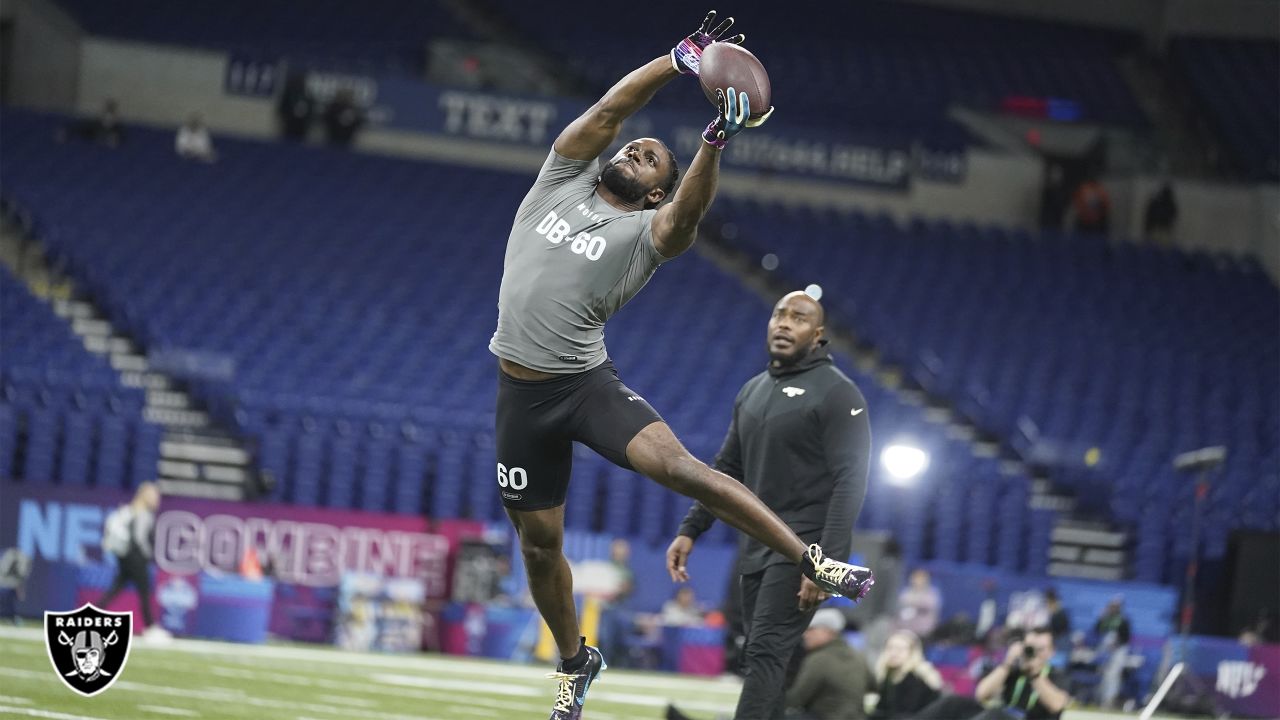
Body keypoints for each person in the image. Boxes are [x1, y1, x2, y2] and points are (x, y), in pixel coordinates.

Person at [488, 12, 872, 719]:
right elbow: (610, 110)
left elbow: (687, 218)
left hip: (582, 387)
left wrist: (711, 142)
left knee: (683, 467)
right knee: (540, 550)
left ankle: (810, 556)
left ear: (658, 190)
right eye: (639, 147)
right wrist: (679, 59)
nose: (638, 148)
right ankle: (576, 661)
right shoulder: (559, 181)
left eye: (651, 159)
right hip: (519, 397)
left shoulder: (645, 233)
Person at [667, 290, 873, 720]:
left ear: (817, 335)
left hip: (807, 549)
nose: (783, 323)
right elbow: (726, 471)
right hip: (757, 544)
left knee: (764, 651)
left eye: (797, 318)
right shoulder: (753, 391)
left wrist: (826, 566)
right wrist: (691, 529)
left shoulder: (839, 394)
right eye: (779, 314)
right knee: (765, 657)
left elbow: (851, 482)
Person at [915, 628, 1069, 720]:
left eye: (1040, 649)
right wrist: (1007, 663)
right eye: (1030, 648)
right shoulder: (1013, 670)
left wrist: (1035, 674)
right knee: (954, 702)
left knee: (996, 714)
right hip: (999, 716)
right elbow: (981, 694)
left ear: (1051, 652)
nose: (1033, 653)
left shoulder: (1057, 674)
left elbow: (1057, 705)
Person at [98, 482, 168, 640]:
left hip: (125, 558)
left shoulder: (131, 510)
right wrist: (147, 554)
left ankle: (92, 617)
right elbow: (139, 538)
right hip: (136, 558)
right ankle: (150, 628)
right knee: (144, 593)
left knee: (115, 589)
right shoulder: (143, 513)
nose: (157, 499)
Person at [785, 609, 873, 720]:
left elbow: (795, 699)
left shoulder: (819, 658)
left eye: (811, 629)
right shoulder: (858, 656)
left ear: (827, 632)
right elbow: (872, 686)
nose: (805, 634)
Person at [869, 630, 942, 720]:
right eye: (890, 648)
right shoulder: (888, 675)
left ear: (912, 652)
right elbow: (881, 709)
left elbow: (906, 714)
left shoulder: (917, 677)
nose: (894, 653)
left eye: (900, 649)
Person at [1094, 596, 1131, 708]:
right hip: (1106, 651)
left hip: (1118, 651)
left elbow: (1126, 637)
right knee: (1103, 674)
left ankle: (1110, 699)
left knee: (1113, 676)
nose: (1112, 608)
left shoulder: (1123, 620)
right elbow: (1097, 629)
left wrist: (1117, 644)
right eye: (1111, 606)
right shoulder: (1107, 618)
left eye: (1115, 607)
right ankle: (1101, 698)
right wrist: (1101, 617)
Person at [56, 99, 124, 148]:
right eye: (106, 114)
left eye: (111, 115)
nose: (109, 118)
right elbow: (81, 130)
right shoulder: (94, 125)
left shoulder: (117, 129)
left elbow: (117, 141)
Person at [896, 569, 941, 640]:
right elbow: (900, 604)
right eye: (916, 578)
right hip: (905, 626)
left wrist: (914, 602)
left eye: (921, 579)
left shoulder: (932, 592)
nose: (918, 581)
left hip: (923, 629)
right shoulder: (906, 591)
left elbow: (929, 606)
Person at [1044, 588, 1071, 652]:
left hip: (1061, 640)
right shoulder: (1055, 612)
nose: (1047, 606)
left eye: (1048, 603)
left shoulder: (1059, 612)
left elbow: (1060, 627)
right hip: (1057, 638)